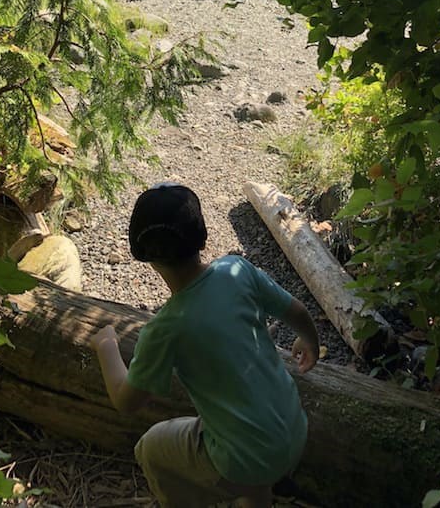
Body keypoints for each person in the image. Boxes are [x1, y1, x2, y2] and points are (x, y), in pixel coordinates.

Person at [89, 182, 320, 508]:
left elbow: (126, 401)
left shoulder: (166, 328)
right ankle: (256, 497)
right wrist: (310, 341)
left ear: (144, 254)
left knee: (151, 447)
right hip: (294, 431)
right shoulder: (237, 269)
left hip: (246, 458)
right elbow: (297, 310)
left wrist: (107, 345)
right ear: (201, 237)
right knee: (247, 454)